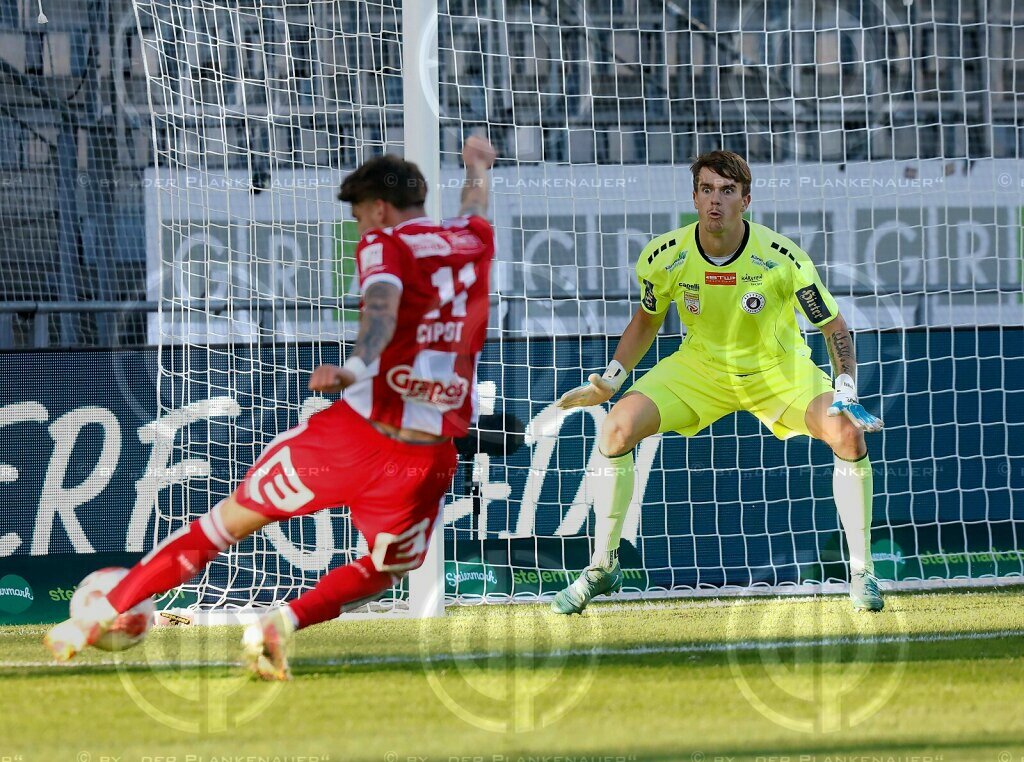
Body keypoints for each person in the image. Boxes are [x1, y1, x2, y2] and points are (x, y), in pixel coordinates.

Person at [45, 136, 499, 679]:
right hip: (422, 460)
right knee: (384, 571)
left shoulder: (385, 244)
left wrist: (354, 368)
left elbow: (381, 310)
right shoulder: (472, 238)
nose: (361, 229)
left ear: (379, 207)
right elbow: (474, 206)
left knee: (223, 526)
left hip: (352, 440)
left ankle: (120, 620)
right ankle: (270, 623)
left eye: (359, 217)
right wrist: (478, 167)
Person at [554, 150, 884, 614]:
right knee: (616, 427)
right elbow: (647, 321)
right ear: (694, 197)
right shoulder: (666, 256)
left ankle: (861, 572)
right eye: (707, 189)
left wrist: (846, 386)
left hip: (778, 371)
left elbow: (833, 326)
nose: (716, 201)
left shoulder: (782, 258)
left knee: (847, 434)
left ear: (745, 200)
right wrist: (611, 379)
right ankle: (603, 566)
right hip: (700, 370)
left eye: (727, 191)